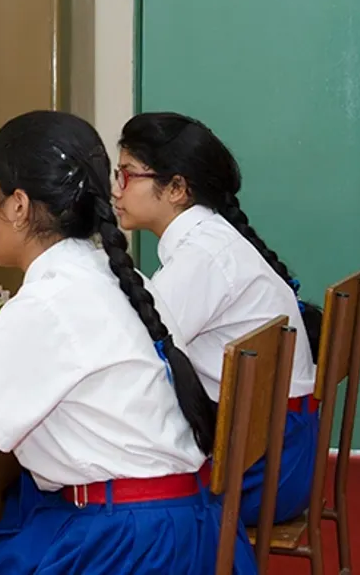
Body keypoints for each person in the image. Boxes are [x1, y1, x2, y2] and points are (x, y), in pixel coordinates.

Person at [0, 111, 255, 574]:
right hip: (182, 527)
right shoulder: (114, 276)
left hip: (124, 544)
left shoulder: (49, 301)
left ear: (19, 205)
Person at [113, 111, 321, 525]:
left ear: (176, 188)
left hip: (262, 470)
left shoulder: (201, 257)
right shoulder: (209, 240)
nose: (116, 191)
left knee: (101, 485)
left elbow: (134, 355)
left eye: (126, 175)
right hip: (280, 452)